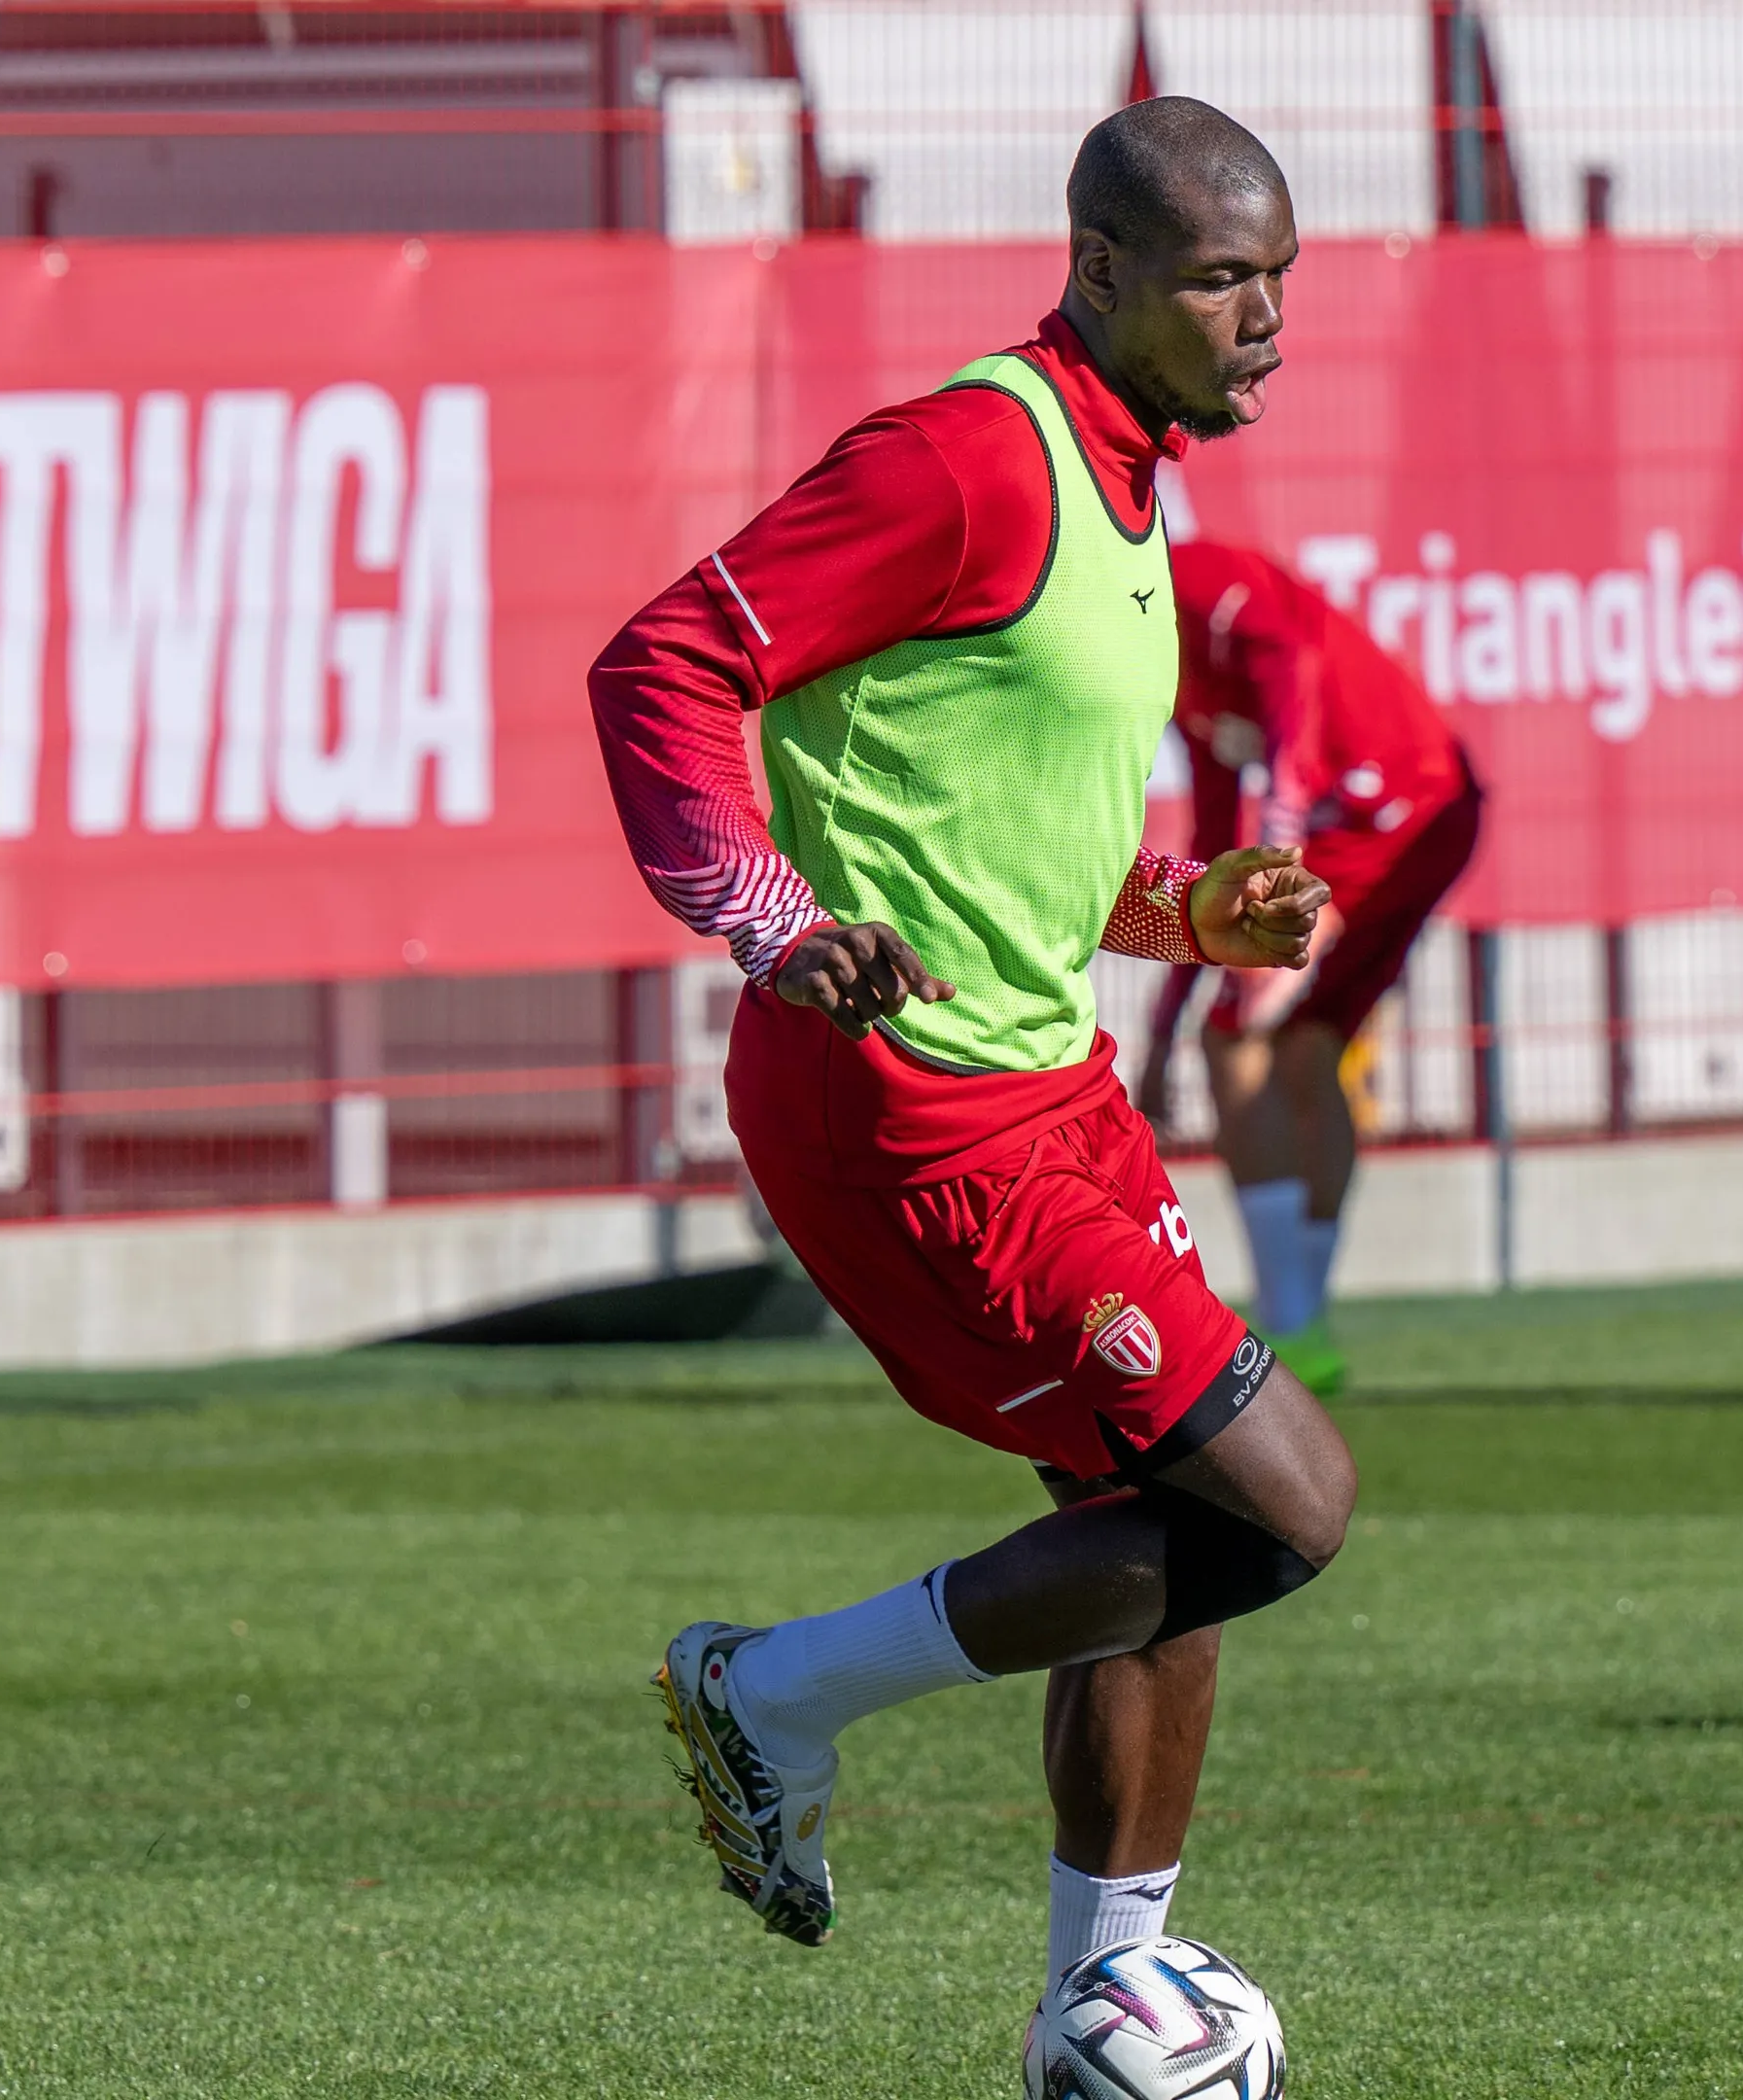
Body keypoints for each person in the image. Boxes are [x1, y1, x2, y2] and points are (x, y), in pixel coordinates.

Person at [587, 98, 1361, 2028]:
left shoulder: (1126, 480)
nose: (1265, 316)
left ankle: (1101, 2007)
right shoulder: (967, 459)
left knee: (1165, 1533)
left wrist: (1187, 914)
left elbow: (988, 829)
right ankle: (772, 1693)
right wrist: (771, 919)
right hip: (906, 1102)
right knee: (1283, 1503)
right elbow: (665, 663)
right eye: (1220, 278)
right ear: (1101, 272)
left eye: (1279, 276)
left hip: (1052, 1085)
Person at [1134, 540, 1480, 1396]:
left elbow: (1296, 670)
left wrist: (1283, 839)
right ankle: (1306, 1327)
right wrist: (1161, 1020)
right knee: (1304, 1049)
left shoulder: (1186, 578)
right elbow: (1213, 848)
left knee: (1235, 1042)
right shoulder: (1165, 674)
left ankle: (1291, 1327)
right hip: (1424, 810)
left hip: (1381, 812)